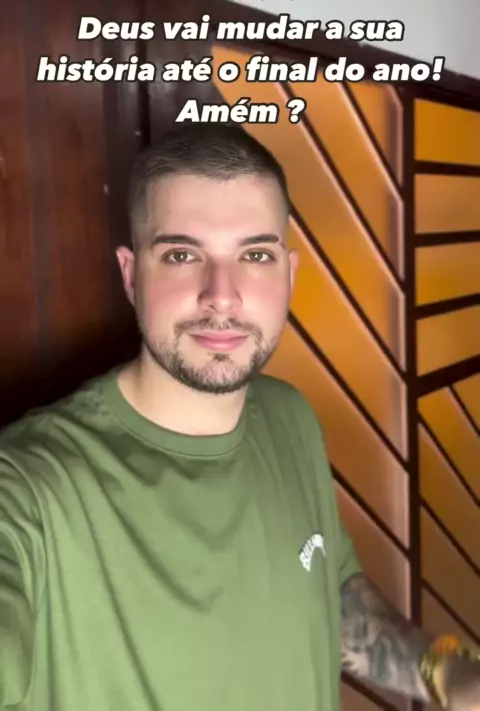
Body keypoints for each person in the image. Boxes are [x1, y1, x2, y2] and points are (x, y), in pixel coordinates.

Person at [0, 125, 478, 711]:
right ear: (130, 275)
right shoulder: (29, 488)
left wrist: (446, 672)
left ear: (289, 274)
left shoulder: (288, 417)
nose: (221, 295)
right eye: (182, 255)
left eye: (255, 255)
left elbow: (328, 592)